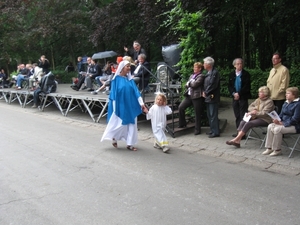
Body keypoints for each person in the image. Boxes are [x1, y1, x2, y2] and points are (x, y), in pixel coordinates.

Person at [101, 60, 146, 151]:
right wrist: (114, 108)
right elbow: (113, 95)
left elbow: (136, 93)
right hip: (119, 106)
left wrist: (141, 103)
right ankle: (113, 136)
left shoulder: (130, 81)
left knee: (132, 123)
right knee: (118, 124)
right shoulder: (116, 80)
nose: (129, 68)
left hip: (131, 105)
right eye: (127, 66)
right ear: (122, 68)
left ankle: (130, 144)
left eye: (130, 66)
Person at [262, 87, 300, 156]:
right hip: (283, 123)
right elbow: (281, 115)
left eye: (288, 93)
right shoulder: (286, 103)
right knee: (270, 126)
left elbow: (295, 118)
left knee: (277, 129)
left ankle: (277, 150)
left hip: (295, 126)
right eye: (286, 93)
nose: (286, 95)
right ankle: (269, 148)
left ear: (294, 95)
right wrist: (277, 119)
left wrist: (283, 123)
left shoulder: (298, 104)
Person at [178, 62, 205, 135]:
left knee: (197, 113)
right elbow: (186, 85)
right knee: (181, 107)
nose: (194, 68)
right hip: (189, 96)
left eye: (196, 67)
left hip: (197, 97)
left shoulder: (201, 76)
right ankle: (182, 124)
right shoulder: (192, 76)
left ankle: (197, 129)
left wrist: (189, 83)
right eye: (194, 67)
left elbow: (195, 84)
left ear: (200, 69)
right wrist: (189, 84)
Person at [228, 58, 251, 138]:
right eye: (237, 64)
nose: (239, 65)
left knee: (243, 115)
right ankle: (238, 131)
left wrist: (239, 94)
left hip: (243, 97)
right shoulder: (231, 74)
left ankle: (243, 133)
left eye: (241, 63)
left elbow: (247, 86)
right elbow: (230, 86)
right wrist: (234, 94)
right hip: (235, 97)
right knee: (237, 115)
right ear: (234, 65)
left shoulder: (246, 74)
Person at [202, 57, 220, 138]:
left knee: (213, 115)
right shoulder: (208, 73)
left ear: (208, 65)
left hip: (213, 96)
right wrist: (203, 91)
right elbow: (205, 84)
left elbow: (213, 85)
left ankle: (216, 132)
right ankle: (212, 130)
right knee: (209, 115)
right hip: (208, 97)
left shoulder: (214, 73)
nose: (203, 65)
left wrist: (206, 92)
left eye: (204, 63)